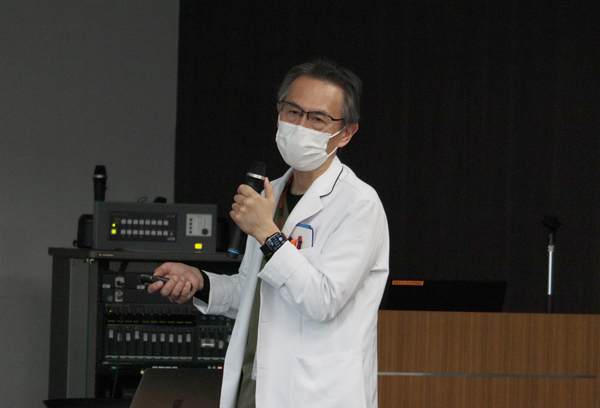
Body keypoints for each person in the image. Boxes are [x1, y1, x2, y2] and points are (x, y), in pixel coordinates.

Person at [148, 60, 390, 408]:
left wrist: (268, 234)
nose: (300, 126)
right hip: (255, 389)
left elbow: (323, 301)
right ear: (279, 114)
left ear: (346, 133)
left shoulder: (358, 204)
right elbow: (253, 292)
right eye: (293, 112)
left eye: (317, 119)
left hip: (317, 394)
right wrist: (200, 281)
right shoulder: (270, 195)